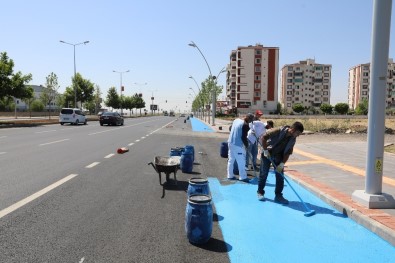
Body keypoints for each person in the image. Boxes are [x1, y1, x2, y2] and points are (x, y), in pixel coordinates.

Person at [257, 121, 304, 204]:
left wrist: (282, 164)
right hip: (267, 154)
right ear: (293, 129)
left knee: (280, 176)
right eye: (298, 133)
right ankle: (260, 192)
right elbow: (264, 137)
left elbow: (288, 152)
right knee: (263, 174)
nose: (298, 135)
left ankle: (278, 195)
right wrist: (265, 150)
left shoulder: (293, 139)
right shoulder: (278, 130)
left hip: (279, 157)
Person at [227, 113, 254, 182]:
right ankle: (243, 177)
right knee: (241, 161)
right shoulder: (245, 125)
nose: (251, 122)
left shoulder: (236, 120)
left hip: (230, 142)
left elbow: (230, 128)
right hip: (237, 145)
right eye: (251, 120)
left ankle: (230, 175)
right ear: (249, 119)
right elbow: (243, 137)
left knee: (231, 160)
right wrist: (247, 145)